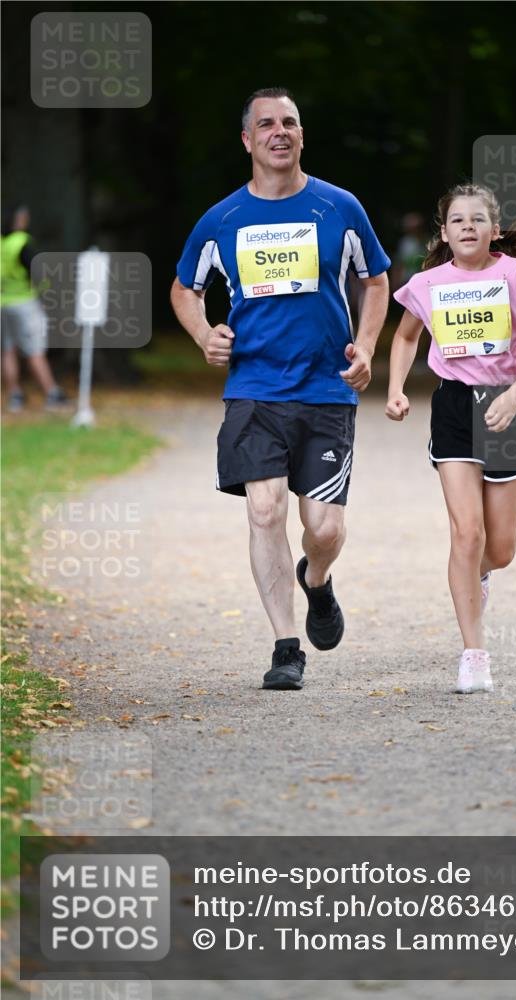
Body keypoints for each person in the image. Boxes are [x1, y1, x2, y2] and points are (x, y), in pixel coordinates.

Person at [171, 87, 390, 692]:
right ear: (247, 139)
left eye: (289, 122)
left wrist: (367, 348)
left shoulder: (339, 207)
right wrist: (202, 333)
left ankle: (316, 581)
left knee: (322, 530)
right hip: (255, 387)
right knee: (263, 509)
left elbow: (376, 281)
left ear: (300, 134)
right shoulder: (223, 220)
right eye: (266, 124)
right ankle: (285, 647)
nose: (279, 132)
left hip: (326, 389)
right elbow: (185, 289)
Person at [386, 182, 516, 694]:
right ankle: (474, 654)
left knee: (499, 548)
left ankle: (475, 576)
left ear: (493, 231)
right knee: (467, 534)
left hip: (507, 405)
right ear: (445, 232)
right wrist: (396, 388)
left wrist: (514, 397)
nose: (467, 226)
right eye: (458, 220)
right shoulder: (429, 282)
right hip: (455, 407)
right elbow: (403, 337)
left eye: (477, 220)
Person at [1, 204, 68, 413]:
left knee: (7, 350)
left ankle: (15, 395)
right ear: (17, 220)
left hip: (3, 303)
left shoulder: (2, 243)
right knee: (35, 349)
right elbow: (38, 271)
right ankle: (52, 393)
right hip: (24, 303)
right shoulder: (21, 242)